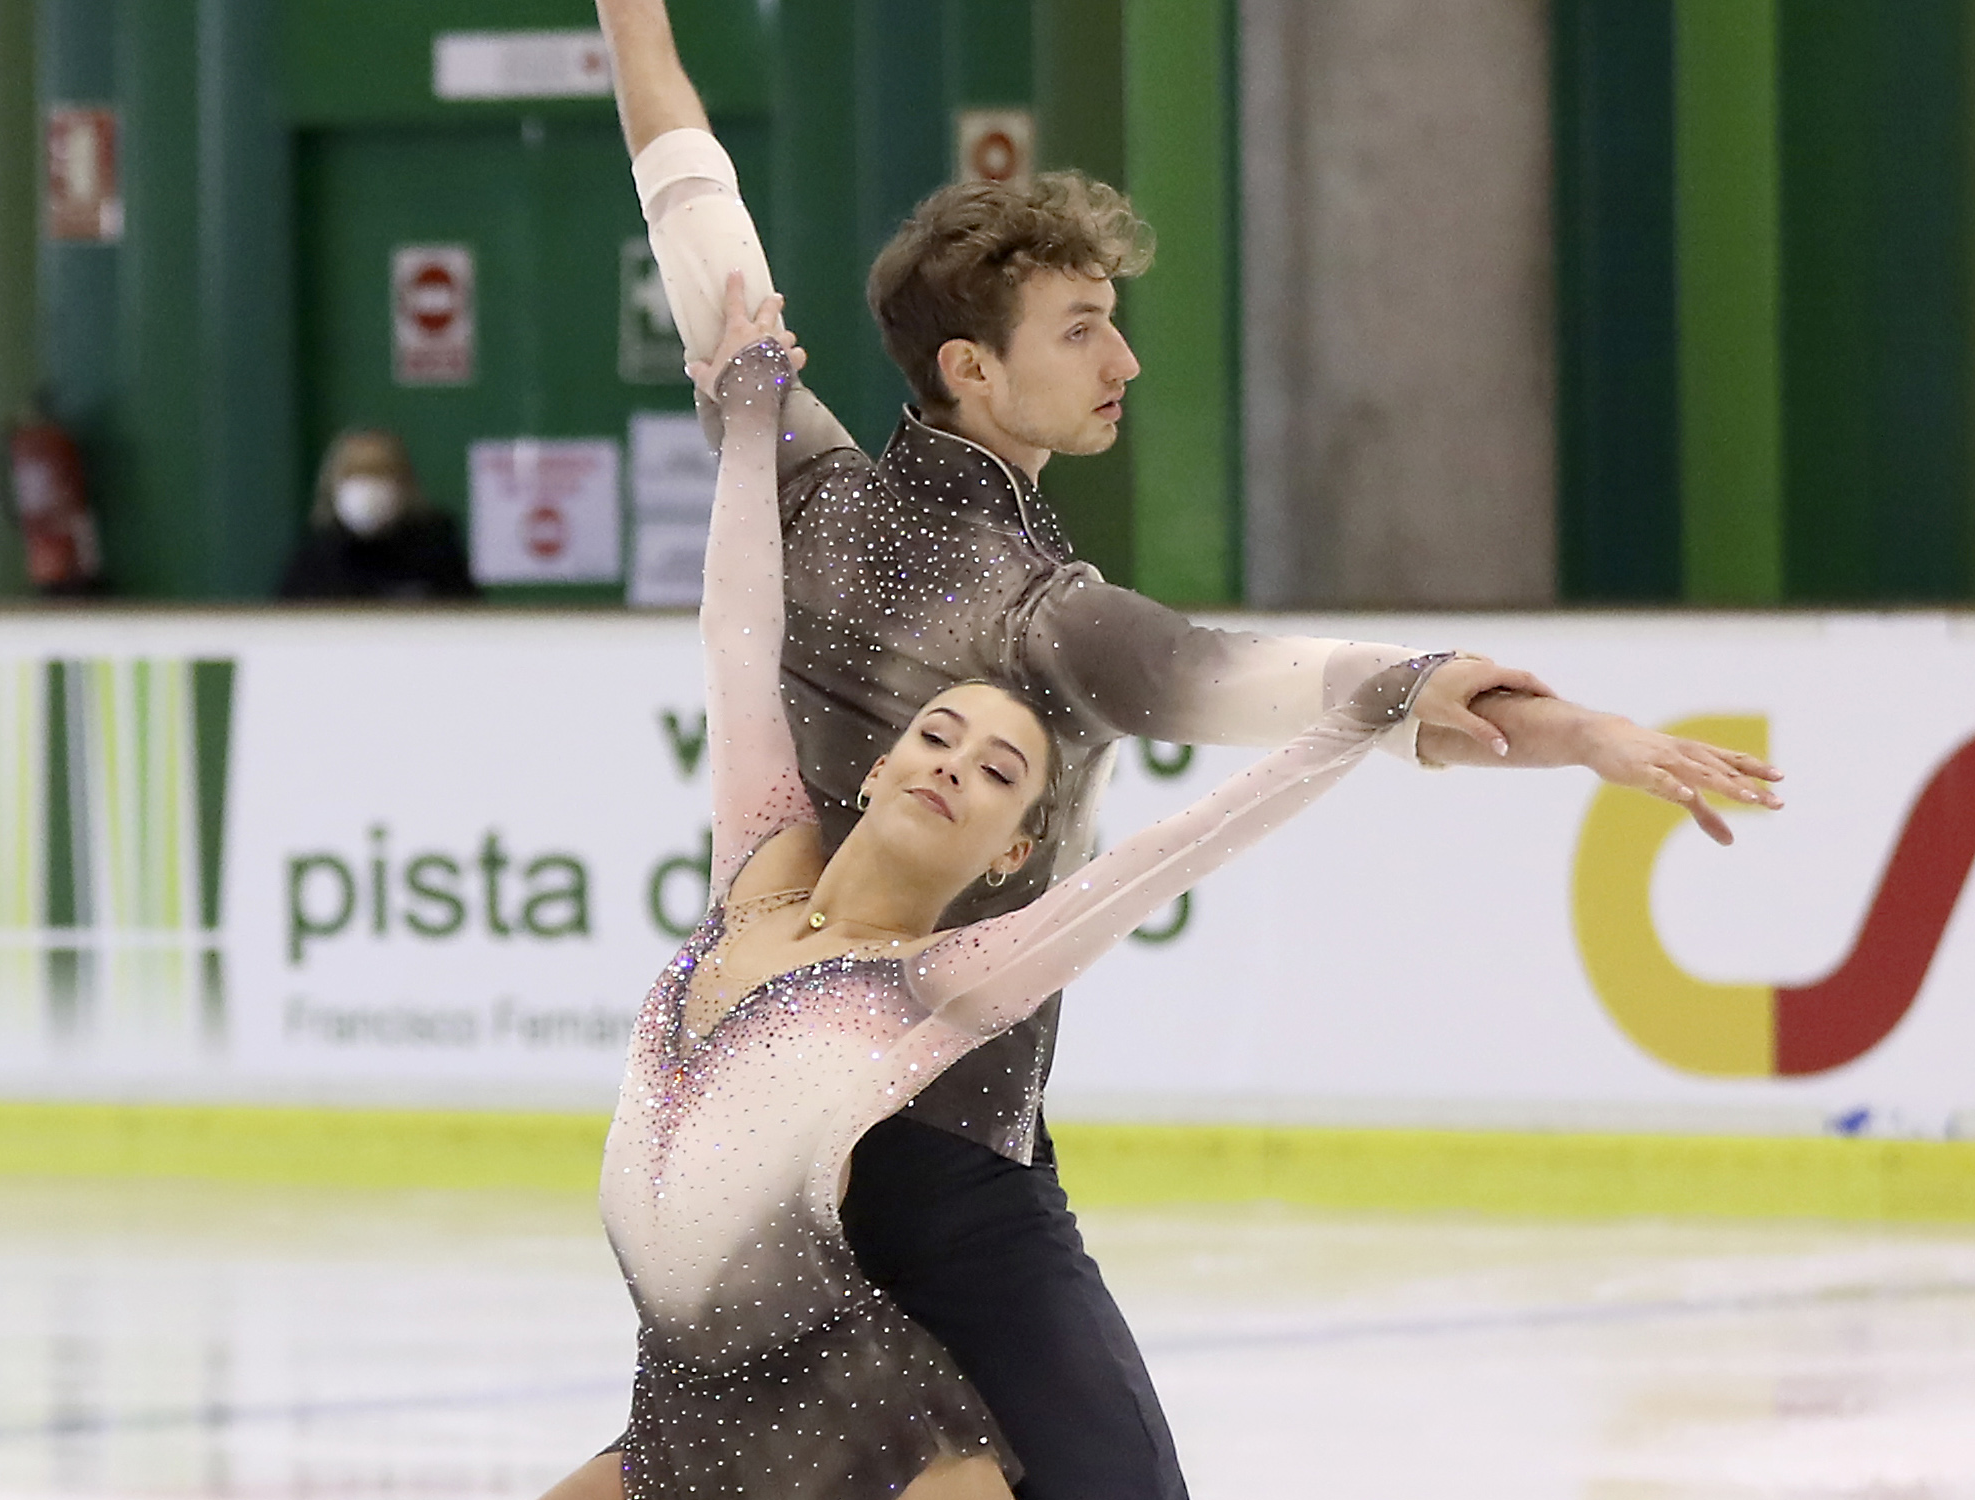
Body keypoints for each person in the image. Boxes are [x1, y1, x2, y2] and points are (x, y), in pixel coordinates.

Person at [588, 5, 1784, 1495]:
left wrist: (635, 25)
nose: (1126, 362)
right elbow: (1273, 682)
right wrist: (1568, 727)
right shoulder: (1040, 612)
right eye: (1081, 331)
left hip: (781, 1169)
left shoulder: (810, 490)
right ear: (971, 369)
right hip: (942, 1149)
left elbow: (695, 207)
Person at [567, 289, 1454, 1500]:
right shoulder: (760, 867)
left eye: (998, 773)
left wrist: (1373, 710)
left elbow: (1173, 854)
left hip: (863, 1434)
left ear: (1005, 856)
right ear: (878, 764)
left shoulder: (933, 983)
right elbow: (735, 636)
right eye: (938, 736)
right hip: (684, 1411)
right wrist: (743, 418)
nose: (950, 766)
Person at [278, 429, 480, 601]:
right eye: (355, 473)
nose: (368, 486)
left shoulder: (436, 550)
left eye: (380, 472)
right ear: (333, 485)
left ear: (404, 484)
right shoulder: (315, 559)